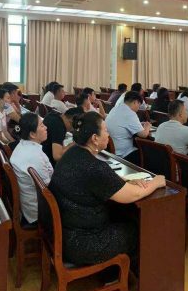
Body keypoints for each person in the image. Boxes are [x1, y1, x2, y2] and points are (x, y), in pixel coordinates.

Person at [49, 112, 166, 276]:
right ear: (94, 138)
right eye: (105, 130)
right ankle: (119, 277)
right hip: (83, 242)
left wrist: (125, 181)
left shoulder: (72, 153)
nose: (108, 134)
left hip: (68, 231)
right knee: (137, 229)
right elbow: (131, 196)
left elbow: (98, 181)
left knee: (122, 214)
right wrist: (157, 182)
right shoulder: (93, 167)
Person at [9, 113, 52, 225]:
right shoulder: (34, 156)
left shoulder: (23, 145)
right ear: (32, 134)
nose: (46, 127)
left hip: (30, 205)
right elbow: (49, 188)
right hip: (38, 211)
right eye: (42, 125)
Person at [105, 91, 151, 164]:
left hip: (110, 149)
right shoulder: (130, 113)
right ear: (135, 102)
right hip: (123, 154)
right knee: (147, 153)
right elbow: (144, 134)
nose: (138, 108)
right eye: (139, 105)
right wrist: (147, 126)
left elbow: (124, 122)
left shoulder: (116, 108)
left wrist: (139, 124)